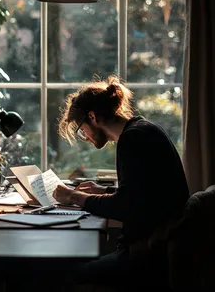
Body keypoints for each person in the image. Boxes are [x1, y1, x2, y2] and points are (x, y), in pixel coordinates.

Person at [53, 74, 190, 288]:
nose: (86, 137)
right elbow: (143, 193)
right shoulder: (141, 129)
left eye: (82, 131)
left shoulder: (133, 139)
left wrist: (74, 196)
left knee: (66, 275)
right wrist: (104, 190)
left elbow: (126, 207)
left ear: (92, 117)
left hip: (149, 256)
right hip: (156, 246)